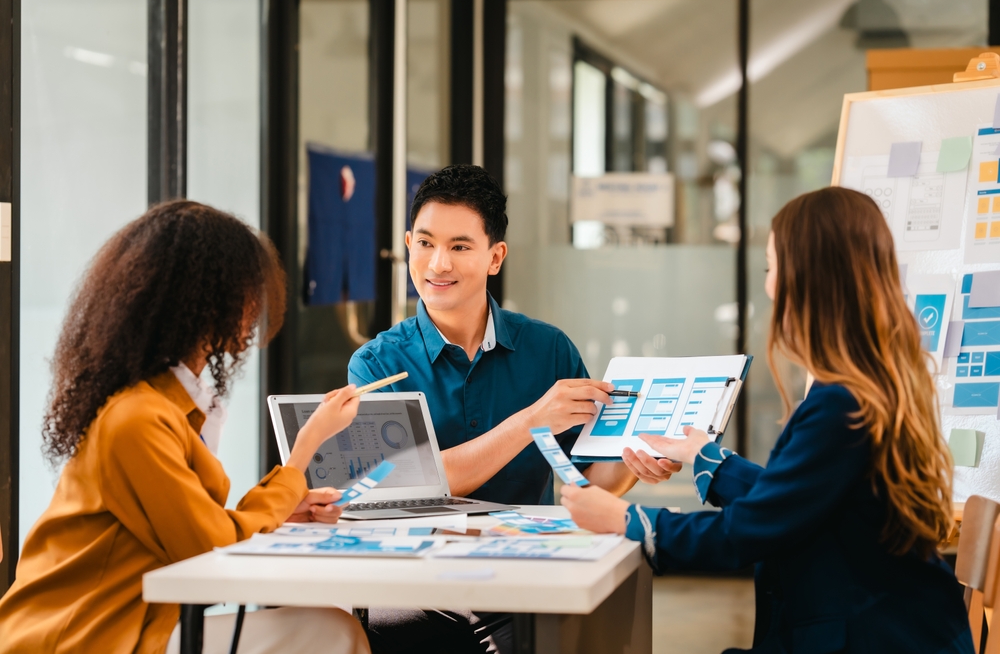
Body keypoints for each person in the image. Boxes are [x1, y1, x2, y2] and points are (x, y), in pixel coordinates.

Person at [561, 186, 974, 653]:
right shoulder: (872, 381)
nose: (768, 284)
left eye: (771, 266)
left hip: (867, 636)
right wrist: (707, 459)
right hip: (895, 626)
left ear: (805, 276)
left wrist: (627, 520)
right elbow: (802, 499)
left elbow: (747, 533)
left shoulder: (841, 404)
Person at [0, 201, 370, 654]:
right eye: (246, 290)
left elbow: (200, 530)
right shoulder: (136, 418)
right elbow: (211, 553)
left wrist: (281, 505)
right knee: (331, 633)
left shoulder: (164, 406)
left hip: (131, 625)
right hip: (84, 637)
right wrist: (305, 448)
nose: (256, 305)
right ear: (203, 300)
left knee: (329, 626)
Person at [348, 164, 681, 653]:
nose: (437, 263)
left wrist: (637, 460)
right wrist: (530, 422)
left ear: (495, 256)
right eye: (424, 243)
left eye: (459, 246)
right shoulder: (376, 363)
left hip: (527, 568)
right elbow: (407, 481)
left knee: (613, 601)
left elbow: (587, 480)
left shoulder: (548, 350)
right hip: (415, 576)